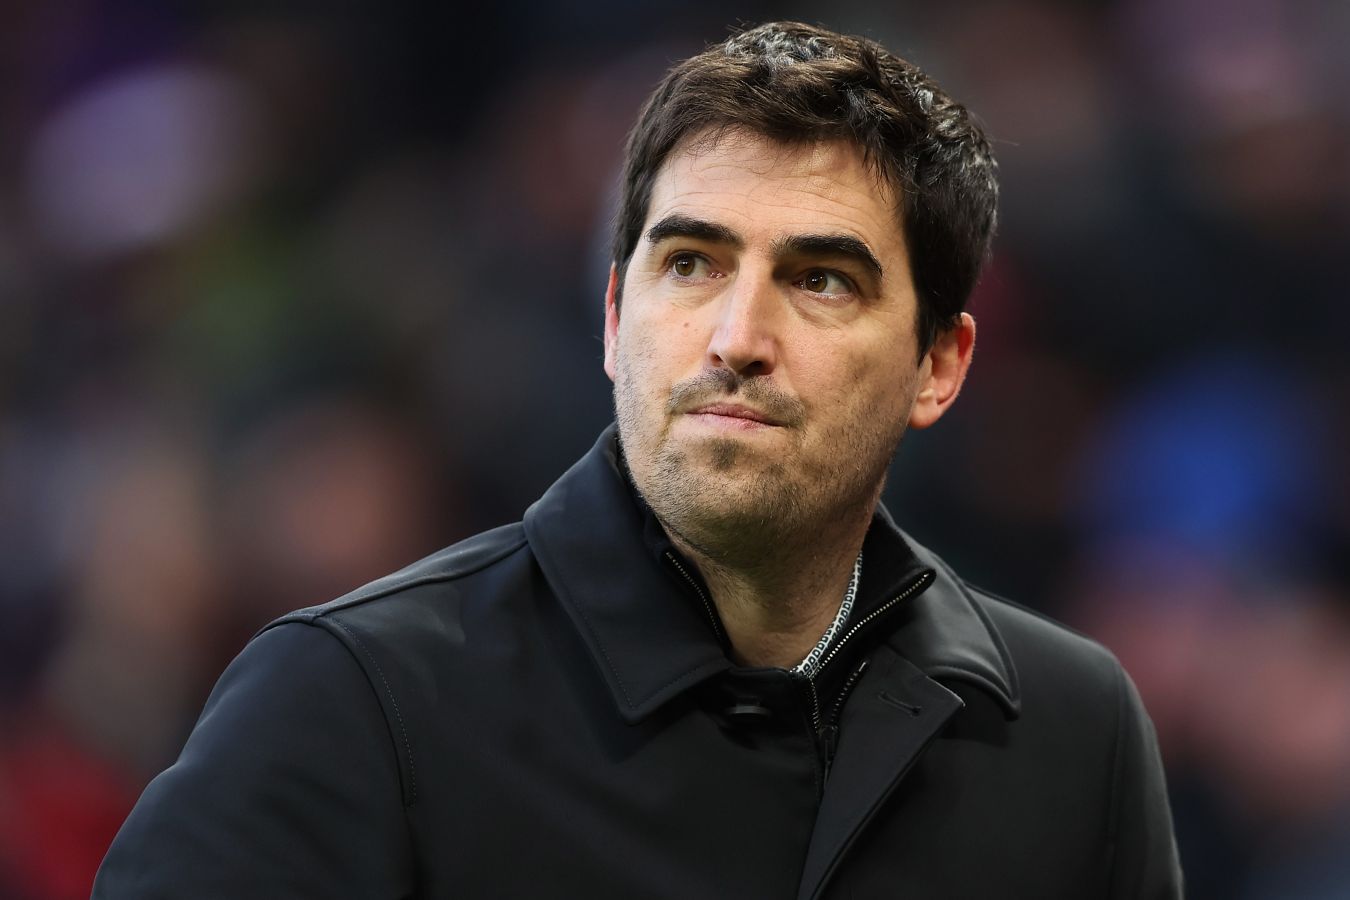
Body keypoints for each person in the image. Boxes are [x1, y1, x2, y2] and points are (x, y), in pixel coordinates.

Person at [94, 21, 1182, 899]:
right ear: (616, 319)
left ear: (938, 365)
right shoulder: (351, 701)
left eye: (821, 280)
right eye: (692, 263)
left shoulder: (1072, 733)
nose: (736, 338)